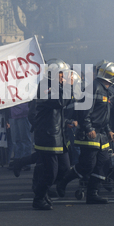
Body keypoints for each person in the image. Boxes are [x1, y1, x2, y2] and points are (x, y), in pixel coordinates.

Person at [57, 62, 114, 204]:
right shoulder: (94, 88)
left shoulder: (106, 90)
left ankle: (93, 194)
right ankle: (63, 181)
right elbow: (84, 111)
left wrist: (108, 130)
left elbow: (103, 114)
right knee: (87, 165)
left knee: (103, 164)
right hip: (89, 133)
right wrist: (89, 128)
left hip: (101, 134)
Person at [32, 59, 74, 209]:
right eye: (61, 75)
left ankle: (43, 193)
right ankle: (38, 198)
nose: (64, 78)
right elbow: (60, 102)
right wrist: (67, 87)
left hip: (59, 135)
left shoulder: (58, 87)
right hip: (48, 135)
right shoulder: (44, 86)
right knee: (51, 171)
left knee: (64, 168)